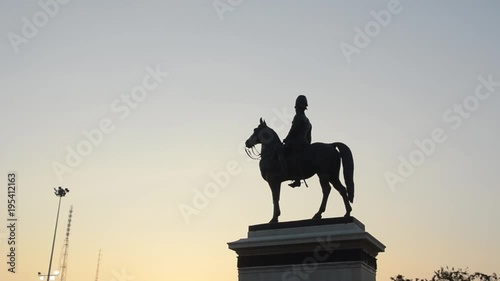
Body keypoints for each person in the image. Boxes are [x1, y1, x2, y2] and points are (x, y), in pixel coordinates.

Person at [280, 95, 312, 188]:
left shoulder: (298, 117)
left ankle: (284, 172)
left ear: (297, 107)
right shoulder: (308, 121)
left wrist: (286, 139)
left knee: (281, 151)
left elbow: (293, 130)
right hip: (305, 144)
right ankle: (297, 179)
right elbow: (309, 136)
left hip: (296, 143)